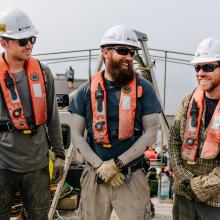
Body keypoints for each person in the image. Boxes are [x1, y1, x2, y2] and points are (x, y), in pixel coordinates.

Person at [69, 25, 161, 220]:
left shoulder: (145, 89)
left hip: (131, 176)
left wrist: (117, 164)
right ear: (105, 53)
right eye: (123, 51)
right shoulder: (85, 91)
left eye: (132, 52)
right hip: (95, 175)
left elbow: (151, 133)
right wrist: (100, 166)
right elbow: (76, 135)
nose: (129, 57)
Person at [0, 8, 65, 220]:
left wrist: (60, 154)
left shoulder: (44, 73)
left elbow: (53, 118)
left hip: (37, 165)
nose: (29, 45)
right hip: (3, 164)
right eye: (22, 40)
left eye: (32, 39)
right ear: (4, 42)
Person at [168, 37, 220, 220]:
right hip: (183, 197)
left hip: (215, 202)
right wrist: (184, 179)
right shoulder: (188, 101)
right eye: (197, 67)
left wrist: (197, 186)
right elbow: (174, 139)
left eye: (208, 67)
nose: (201, 73)